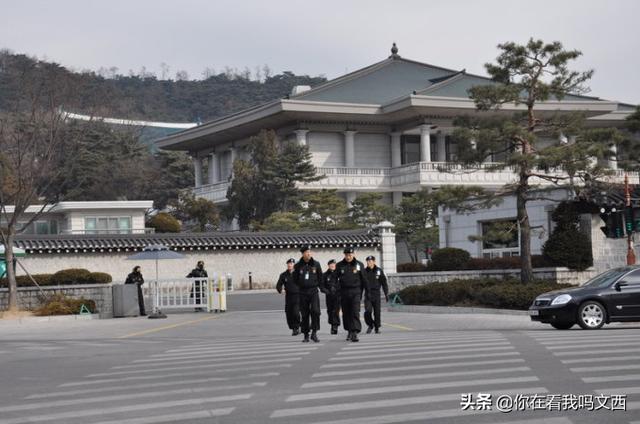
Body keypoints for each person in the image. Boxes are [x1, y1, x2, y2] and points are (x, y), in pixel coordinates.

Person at [293, 245, 323, 343]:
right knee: (305, 314)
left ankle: (314, 333)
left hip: (313, 291)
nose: (308, 253)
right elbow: (295, 279)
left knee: (315, 311)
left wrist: (322, 288)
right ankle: (306, 334)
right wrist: (301, 285)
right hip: (302, 292)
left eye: (309, 251)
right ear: (302, 254)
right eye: (306, 252)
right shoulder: (298, 266)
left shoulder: (316, 264)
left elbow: (320, 277)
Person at [337, 246, 366, 342]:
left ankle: (355, 332)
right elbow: (334, 279)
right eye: (346, 255)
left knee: (355, 311)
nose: (348, 257)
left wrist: (367, 292)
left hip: (356, 291)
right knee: (346, 313)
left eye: (350, 255)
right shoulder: (340, 265)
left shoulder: (359, 265)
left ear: (353, 254)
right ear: (344, 255)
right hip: (344, 292)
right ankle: (349, 330)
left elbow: (364, 280)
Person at [363, 255, 389, 334]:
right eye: (367, 261)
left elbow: (384, 283)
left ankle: (377, 327)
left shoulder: (379, 271)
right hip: (368, 294)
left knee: (377, 312)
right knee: (368, 311)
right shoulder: (364, 271)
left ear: (374, 262)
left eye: (370, 261)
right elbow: (360, 283)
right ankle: (370, 324)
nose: (368, 263)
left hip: (376, 294)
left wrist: (386, 294)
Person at [276, 258, 301, 335]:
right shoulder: (283, 275)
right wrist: (281, 290)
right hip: (289, 297)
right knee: (289, 313)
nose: (290, 265)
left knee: (296, 312)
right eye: (289, 263)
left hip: (298, 296)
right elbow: (278, 285)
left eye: (291, 263)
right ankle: (293, 327)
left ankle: (296, 328)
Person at [320, 259, 341, 335]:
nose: (332, 266)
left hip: (338, 296)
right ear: (328, 265)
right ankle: (332, 324)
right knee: (330, 311)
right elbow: (321, 286)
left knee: (335, 311)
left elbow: (343, 283)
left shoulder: (339, 274)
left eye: (334, 264)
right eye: (331, 264)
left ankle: (335, 326)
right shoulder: (325, 275)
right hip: (329, 296)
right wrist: (327, 291)